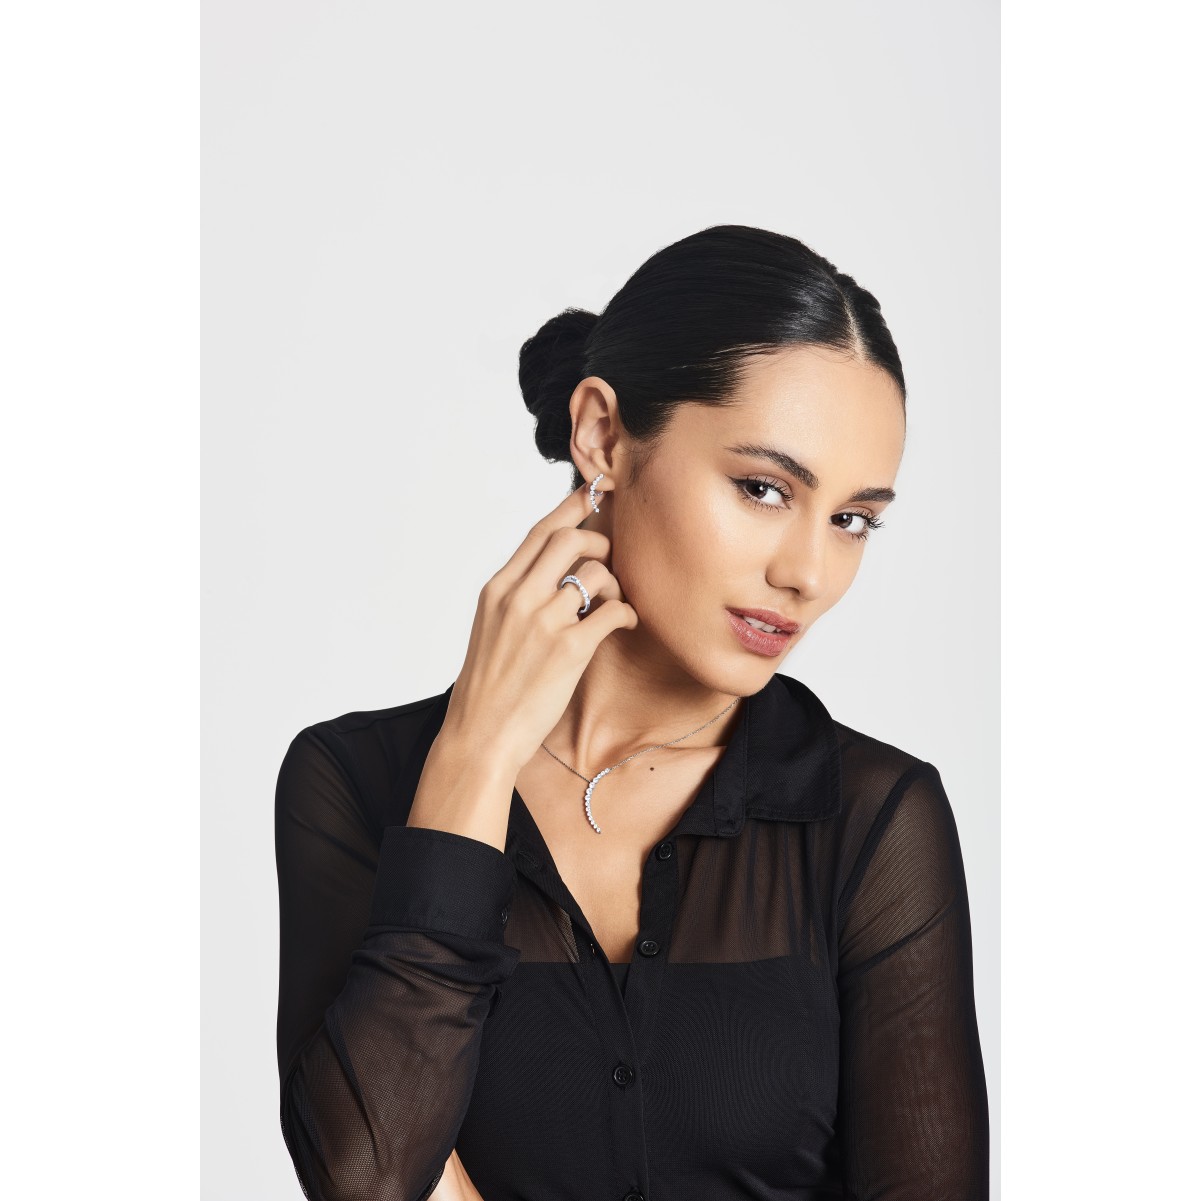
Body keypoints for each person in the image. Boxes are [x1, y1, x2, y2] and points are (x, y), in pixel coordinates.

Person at [274, 224, 990, 1201]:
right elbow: (366, 1178)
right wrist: (476, 754)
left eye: (851, 519)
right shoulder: (356, 782)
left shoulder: (868, 817)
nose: (809, 573)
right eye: (762, 488)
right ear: (603, 437)